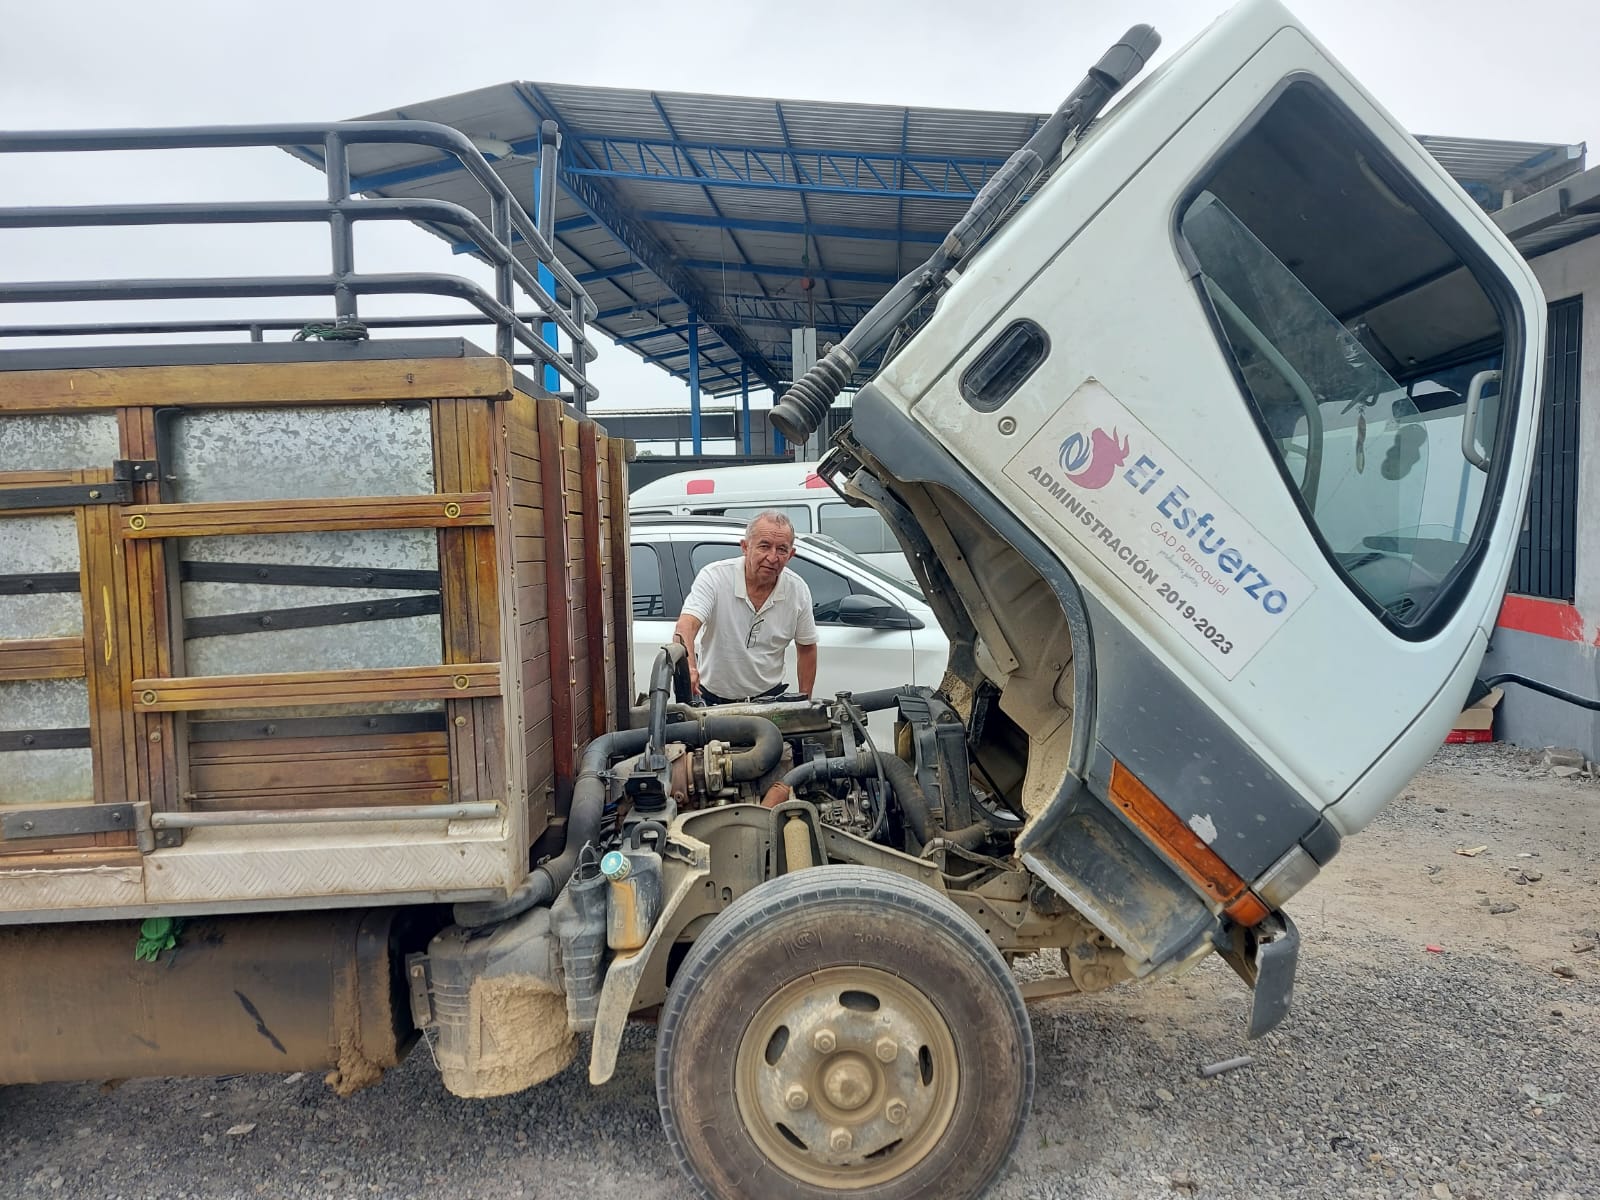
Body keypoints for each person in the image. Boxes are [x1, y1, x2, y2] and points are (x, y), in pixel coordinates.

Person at [673, 511, 818, 704]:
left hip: (770, 701)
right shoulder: (715, 577)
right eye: (764, 546)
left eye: (781, 549)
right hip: (713, 700)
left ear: (791, 554)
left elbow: (807, 647)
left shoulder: (797, 589)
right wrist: (690, 668)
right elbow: (686, 626)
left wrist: (805, 703)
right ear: (745, 547)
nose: (772, 557)